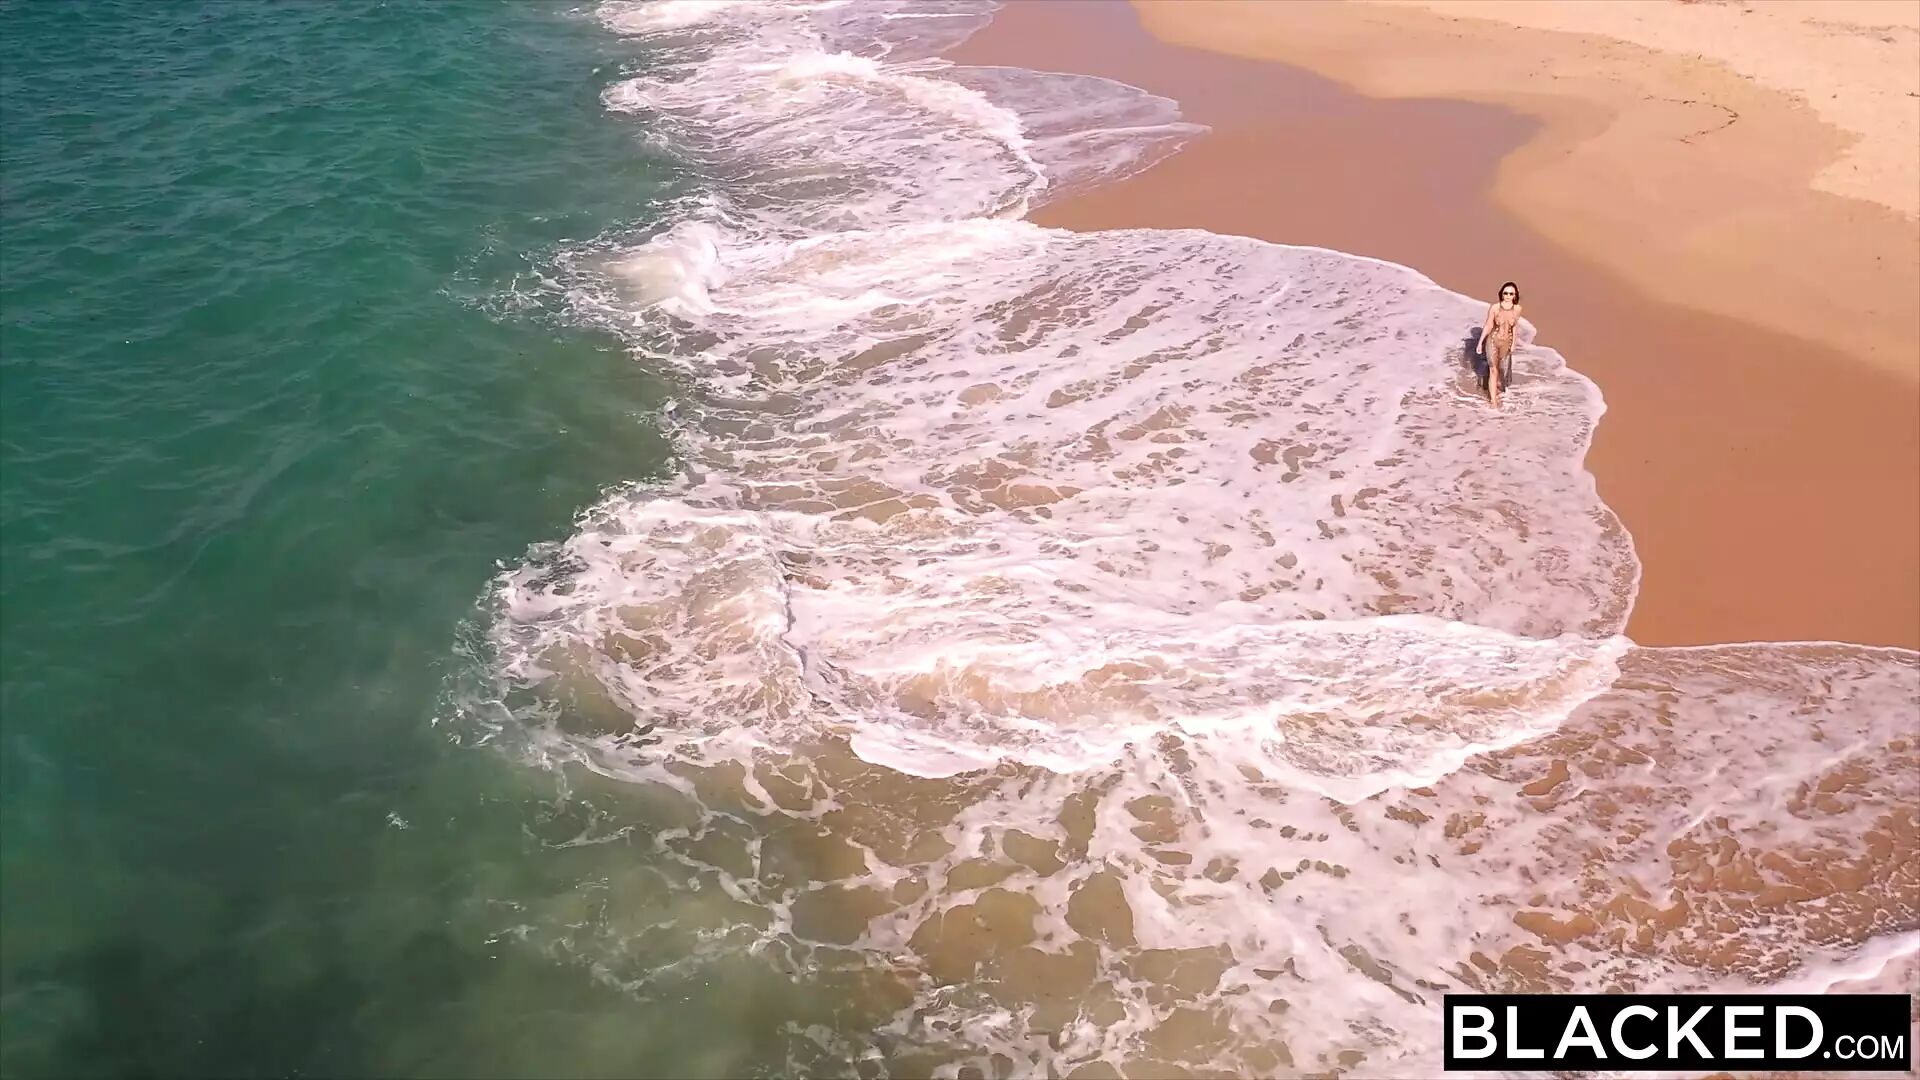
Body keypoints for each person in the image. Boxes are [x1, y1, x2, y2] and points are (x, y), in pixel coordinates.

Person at [1478, 281, 1521, 408]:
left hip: (1506, 342)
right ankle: (1493, 401)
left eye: (1511, 294)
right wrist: (1480, 342)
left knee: (1502, 369)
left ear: (1515, 295)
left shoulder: (1518, 309)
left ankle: (1494, 385)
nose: (1508, 296)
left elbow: (1514, 327)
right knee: (1493, 369)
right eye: (1505, 293)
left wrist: (1513, 343)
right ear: (1501, 294)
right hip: (1493, 341)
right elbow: (1488, 325)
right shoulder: (1495, 308)